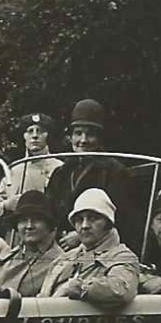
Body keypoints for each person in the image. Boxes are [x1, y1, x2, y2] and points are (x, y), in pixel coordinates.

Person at [44, 99, 133, 235]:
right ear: (71, 137)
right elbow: (48, 211)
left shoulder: (114, 171)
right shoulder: (61, 172)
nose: (83, 140)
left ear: (99, 138)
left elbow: (121, 217)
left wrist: (79, 236)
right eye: (78, 133)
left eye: (90, 134)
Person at [40, 188, 141, 307]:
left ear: (108, 223)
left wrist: (77, 288)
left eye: (93, 218)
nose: (84, 225)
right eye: (79, 220)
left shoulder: (122, 256)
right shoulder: (64, 259)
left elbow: (120, 289)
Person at [0, 190, 64, 298]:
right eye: (24, 220)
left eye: (37, 220)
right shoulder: (5, 260)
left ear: (49, 225)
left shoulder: (61, 264)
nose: (29, 226)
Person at [0, 112, 63, 230]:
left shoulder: (59, 168)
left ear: (47, 135)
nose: (35, 136)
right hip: (17, 234)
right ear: (24, 136)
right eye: (30, 131)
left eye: (39, 131)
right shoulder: (14, 170)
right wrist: (7, 205)